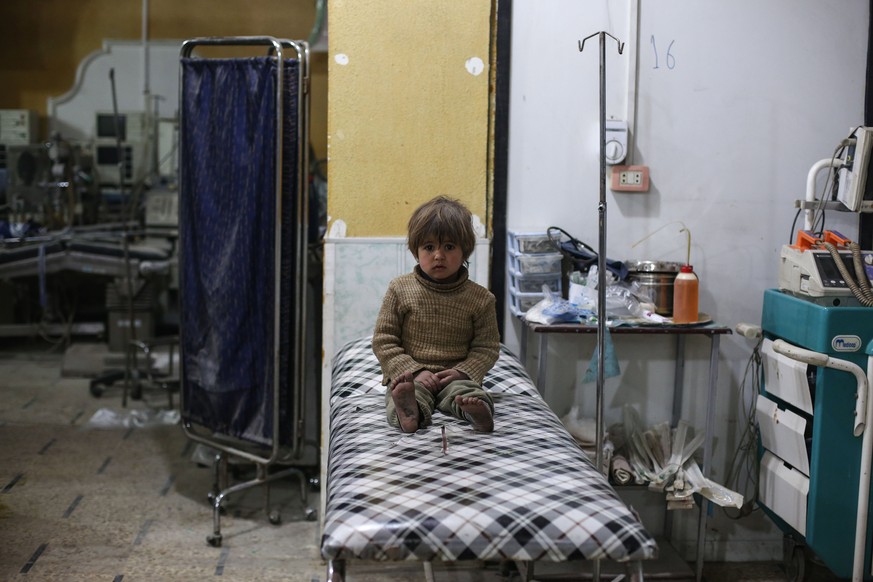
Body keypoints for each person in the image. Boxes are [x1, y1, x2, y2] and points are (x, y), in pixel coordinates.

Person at [372, 195, 500, 433]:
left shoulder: (481, 299)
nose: (438, 255)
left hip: (455, 377)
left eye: (449, 247)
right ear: (416, 250)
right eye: (429, 247)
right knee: (401, 394)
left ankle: (478, 415)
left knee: (469, 395)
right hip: (412, 376)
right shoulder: (399, 289)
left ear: (465, 251)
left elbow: (487, 347)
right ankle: (410, 412)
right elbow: (384, 340)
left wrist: (463, 371)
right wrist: (413, 371)